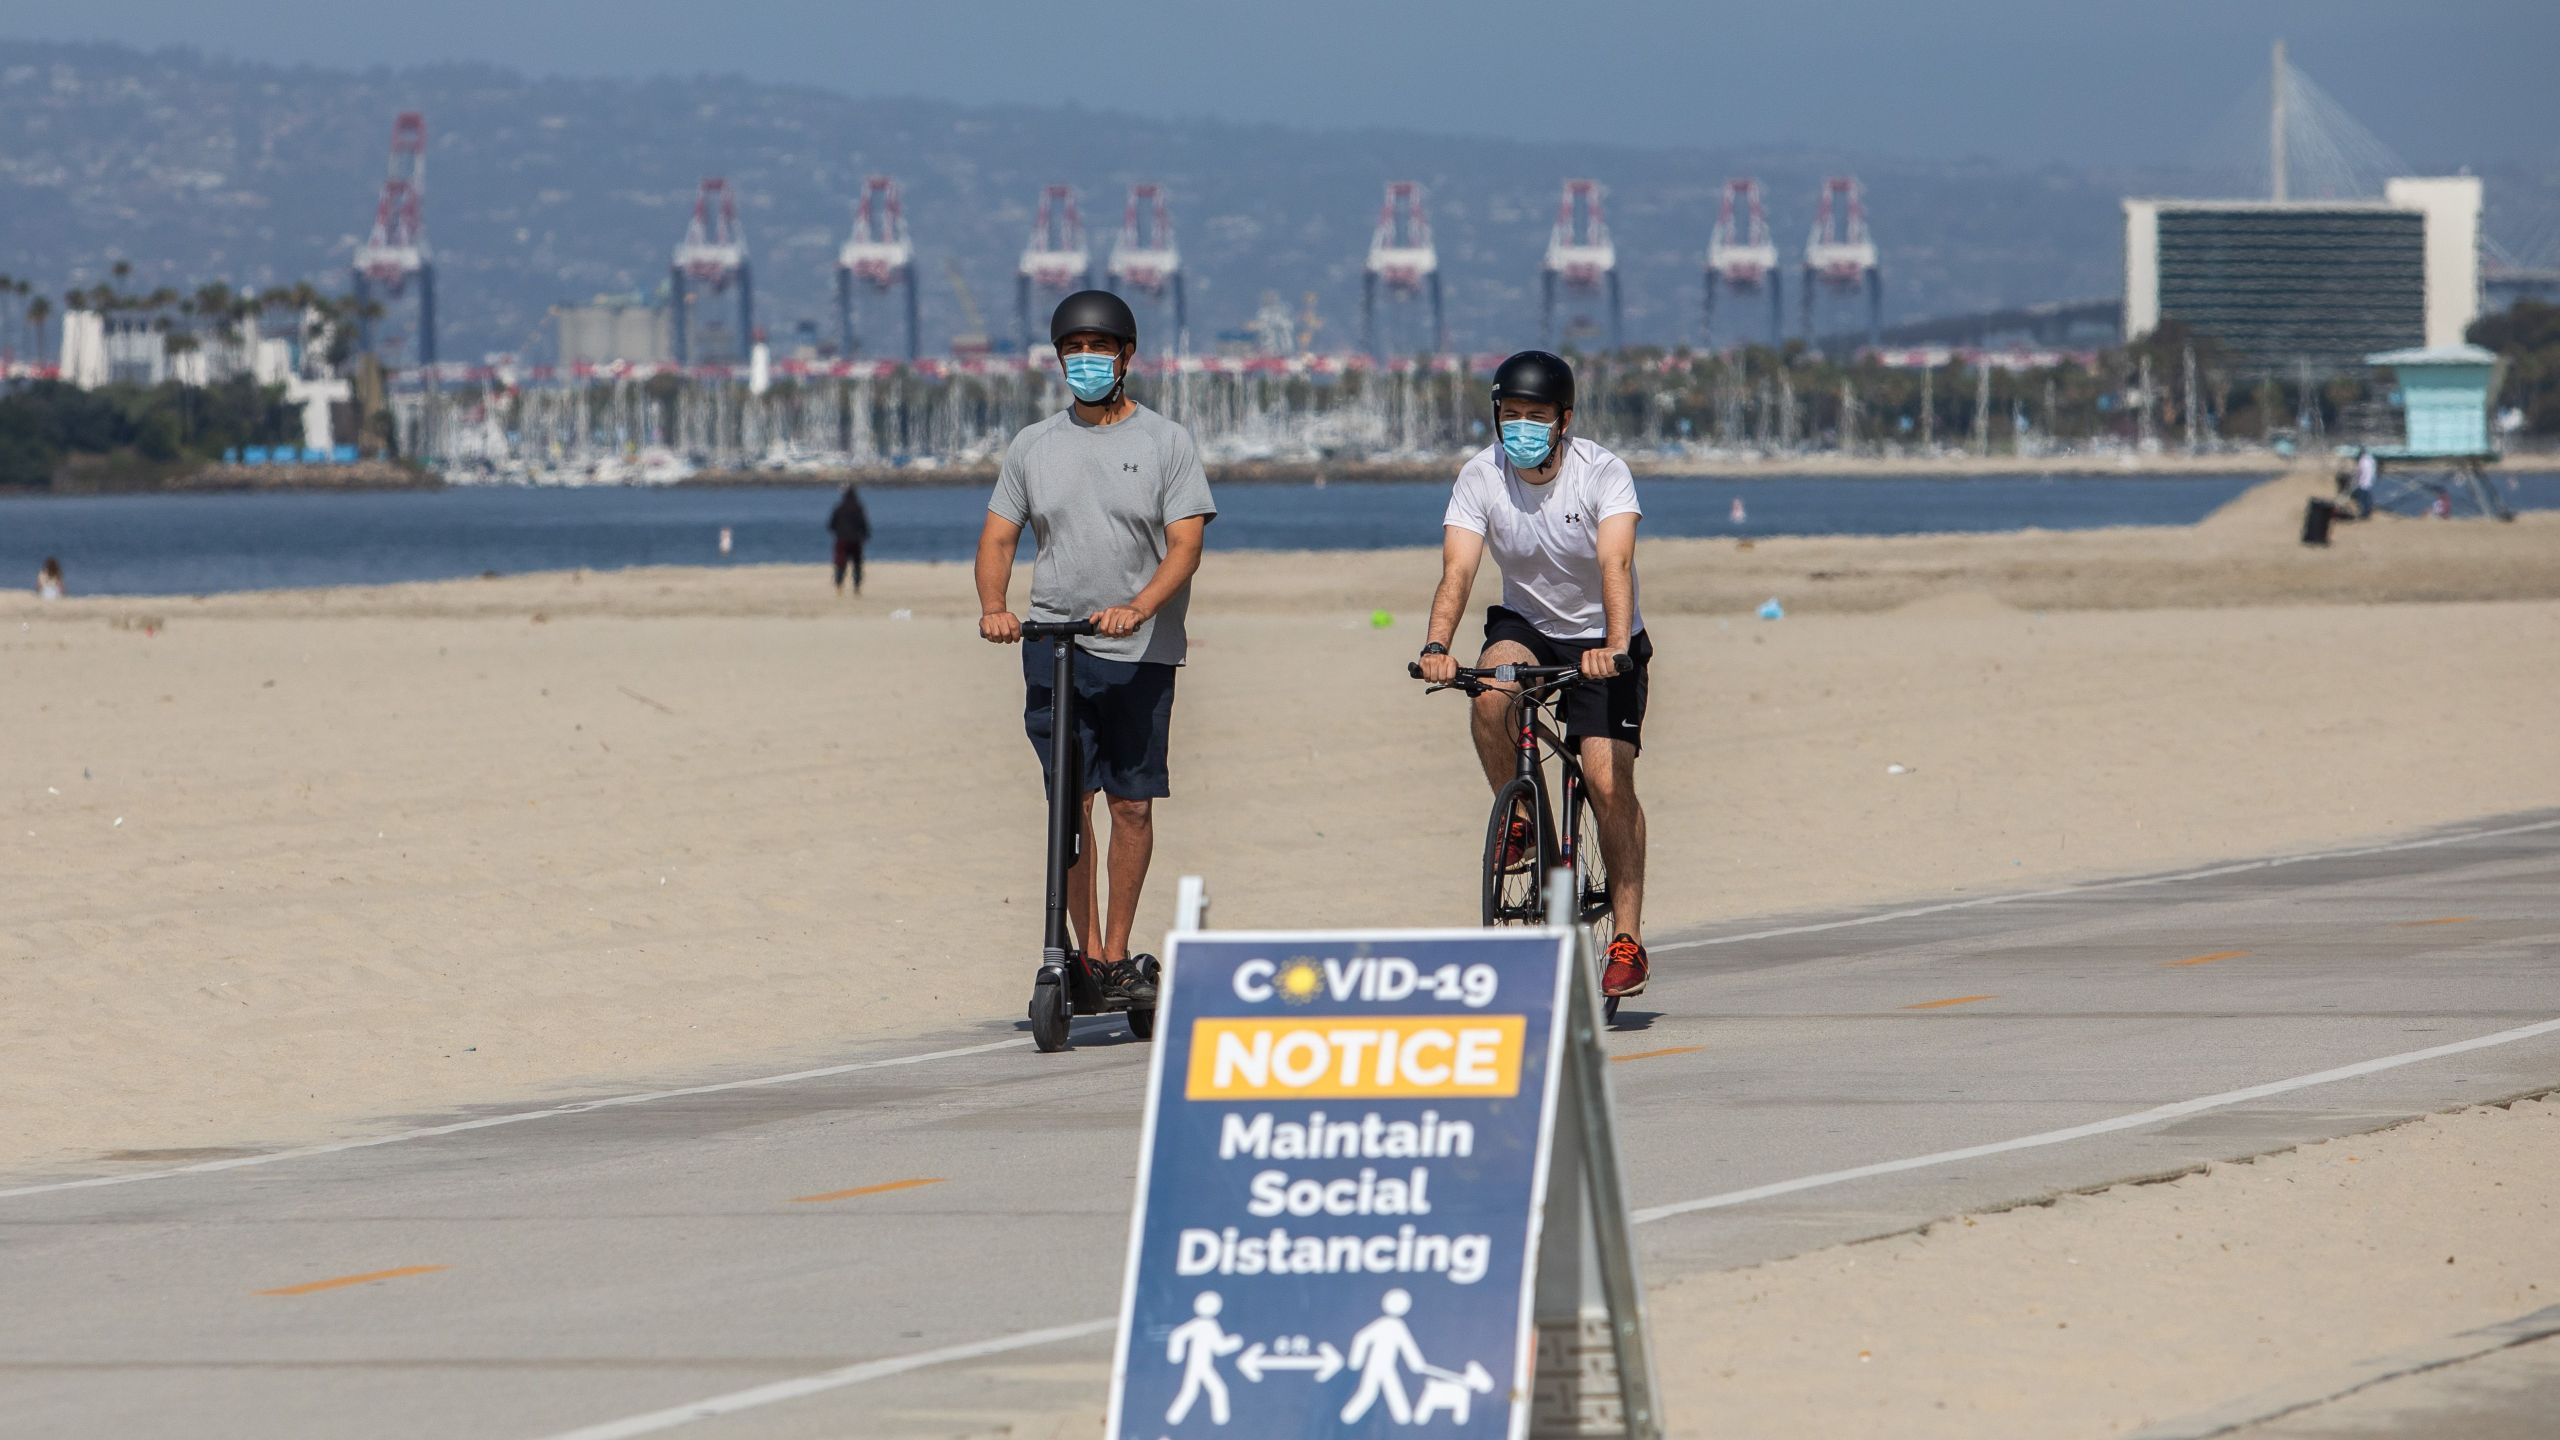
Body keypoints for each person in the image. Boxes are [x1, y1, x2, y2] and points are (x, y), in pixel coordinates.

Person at [976, 290, 1216, 1007]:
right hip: (1054, 645)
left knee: (1131, 805)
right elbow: (997, 537)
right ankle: (1076, 955)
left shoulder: (1165, 442)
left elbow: (1187, 544)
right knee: (1068, 805)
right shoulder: (1033, 446)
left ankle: (1115, 952)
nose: (1085, 362)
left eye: (1098, 349)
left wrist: (1139, 607)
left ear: (1126, 357)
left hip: (1140, 651)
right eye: (1072, 351)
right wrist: (995, 606)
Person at [1416, 350, 1654, 1000]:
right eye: (1511, 415)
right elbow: (1458, 570)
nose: (1522, 426)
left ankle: (1626, 939)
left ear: (1563, 421)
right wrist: (1437, 643)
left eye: (1536, 417)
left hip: (1602, 636)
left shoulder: (1601, 472)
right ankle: (1527, 826)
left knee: (1607, 779)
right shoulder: (1480, 475)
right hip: (1525, 624)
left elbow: (1616, 562)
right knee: (1490, 694)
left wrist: (1612, 646)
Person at [826, 483, 870, 594]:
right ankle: (856, 587)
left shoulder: (839, 508)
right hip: (856, 540)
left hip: (842, 539)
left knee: (840, 563)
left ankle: (839, 586)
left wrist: (837, 532)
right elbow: (863, 524)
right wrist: (865, 535)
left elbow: (831, 525)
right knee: (857, 564)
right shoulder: (858, 508)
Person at [2354, 446, 2378, 519]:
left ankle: (2364, 513)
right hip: (2369, 482)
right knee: (2368, 499)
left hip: (2363, 483)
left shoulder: (2362, 461)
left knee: (2363, 500)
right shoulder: (2371, 460)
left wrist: (2357, 480)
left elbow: (2360, 472)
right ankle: (2367, 512)